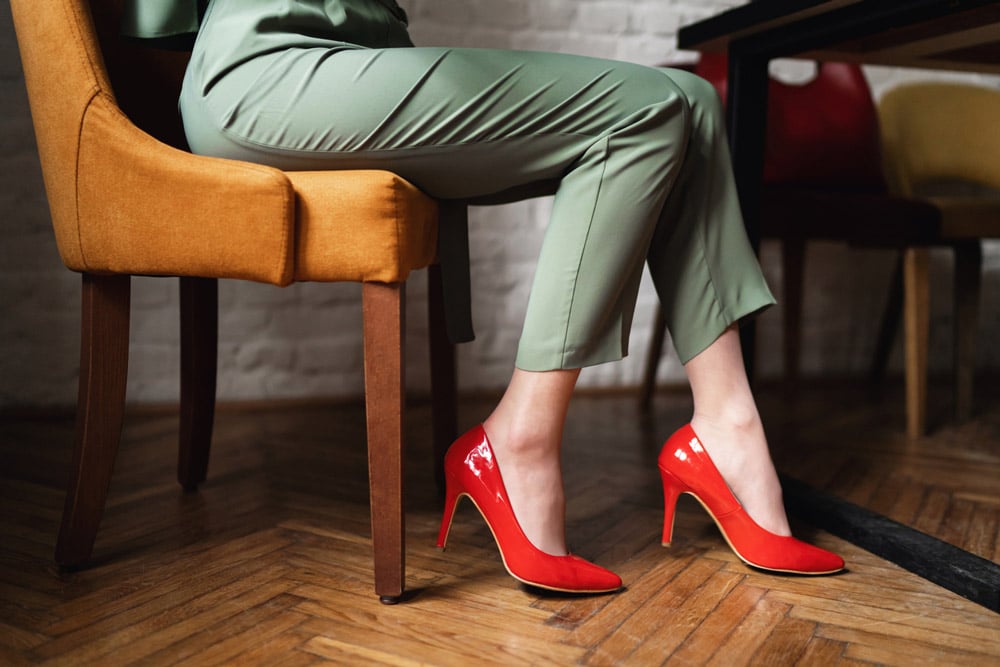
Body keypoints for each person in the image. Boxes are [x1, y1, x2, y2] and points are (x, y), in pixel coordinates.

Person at [125, 0, 844, 593]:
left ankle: (728, 427)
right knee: (647, 109)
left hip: (366, 61)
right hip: (266, 69)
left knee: (693, 102)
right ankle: (519, 438)